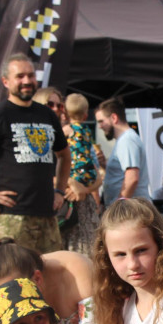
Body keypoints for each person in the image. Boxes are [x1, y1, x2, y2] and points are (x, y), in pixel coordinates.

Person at [0, 53, 71, 254]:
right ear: (6, 82)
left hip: (46, 214)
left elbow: (64, 154)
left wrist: (60, 191)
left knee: (50, 279)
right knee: (13, 281)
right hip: (10, 217)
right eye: (20, 77)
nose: (27, 81)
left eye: (31, 76)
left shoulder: (47, 115)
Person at [60, 92, 102, 256]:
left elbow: (99, 179)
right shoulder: (86, 131)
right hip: (85, 174)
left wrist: (81, 189)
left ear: (65, 113)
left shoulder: (66, 130)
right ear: (85, 115)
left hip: (78, 198)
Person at [98, 97, 150, 204]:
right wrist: (105, 164)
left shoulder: (127, 140)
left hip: (132, 212)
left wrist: (117, 207)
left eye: (101, 121)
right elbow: (123, 173)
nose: (100, 126)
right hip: (130, 210)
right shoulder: (124, 140)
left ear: (114, 118)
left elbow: (132, 178)